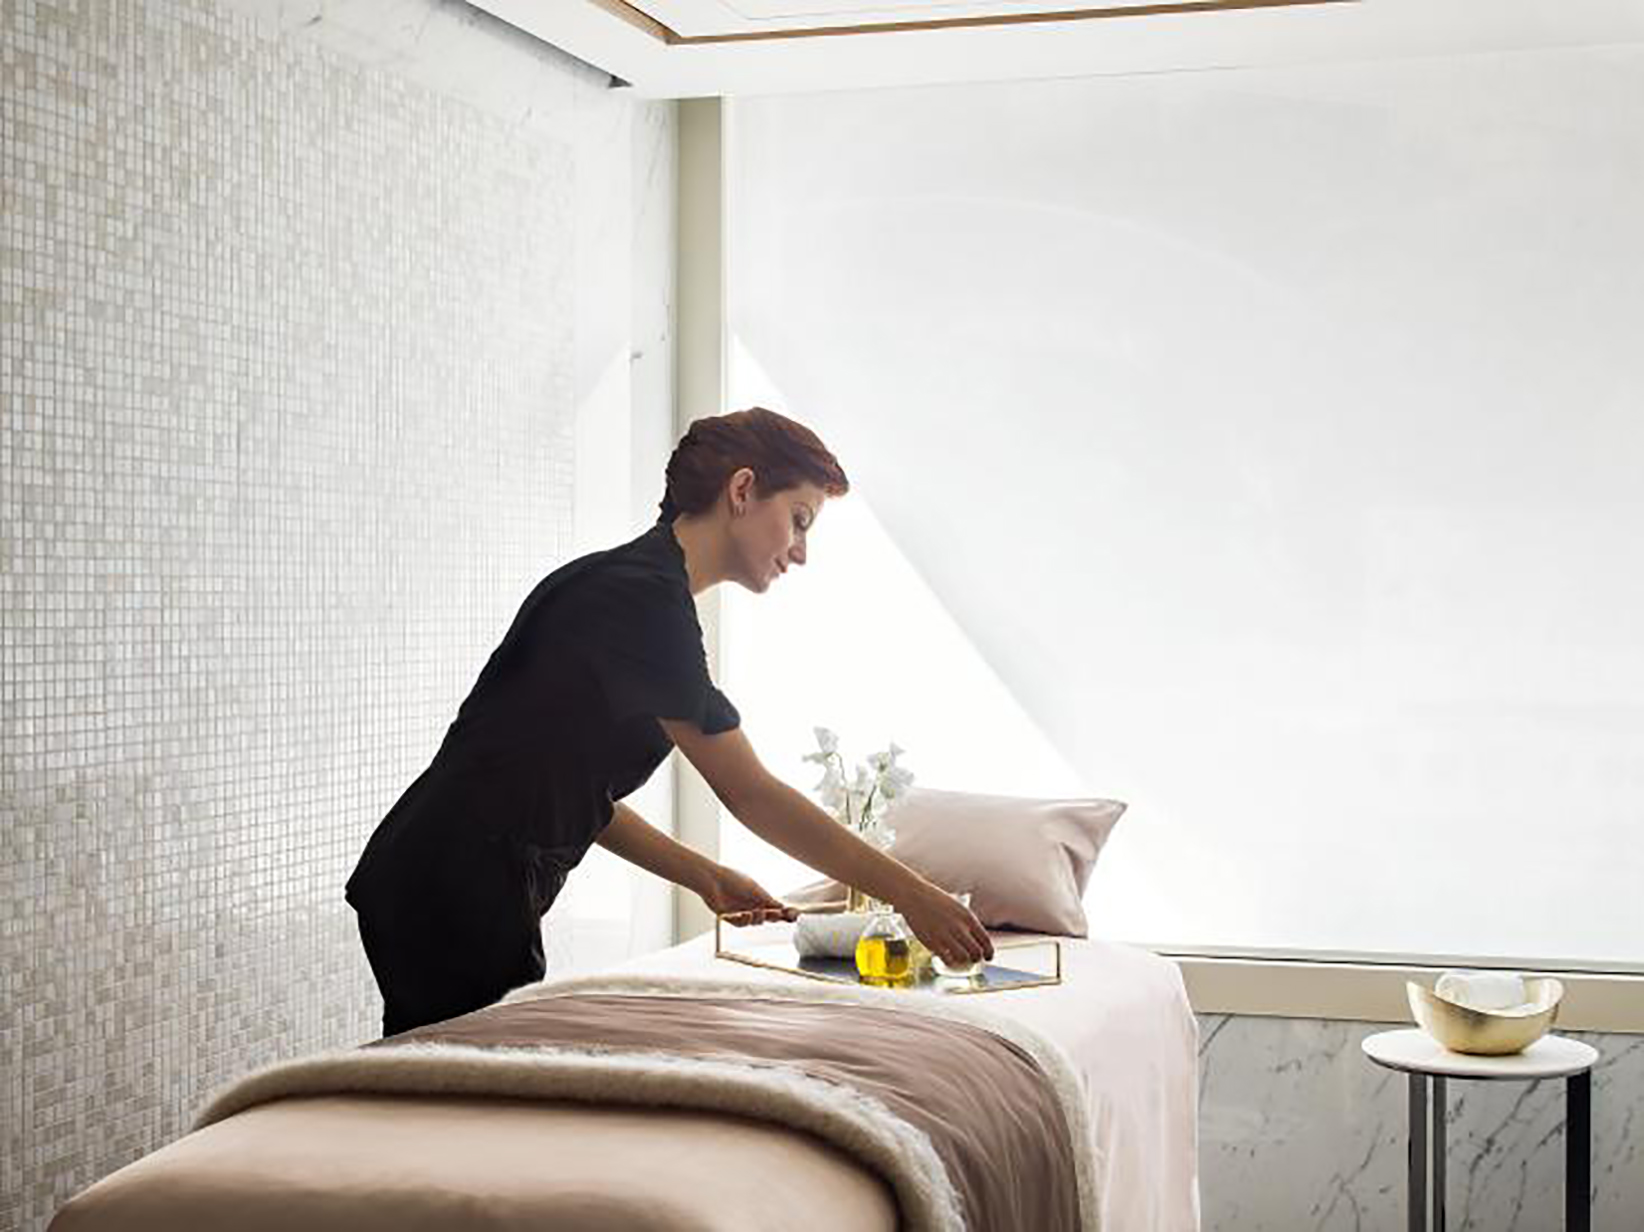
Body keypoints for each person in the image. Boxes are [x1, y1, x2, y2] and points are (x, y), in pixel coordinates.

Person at [345, 407, 992, 1036]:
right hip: (453, 882)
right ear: (743, 490)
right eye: (799, 520)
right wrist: (913, 895)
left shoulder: (635, 590)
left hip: (446, 874)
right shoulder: (640, 600)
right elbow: (751, 792)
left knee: (448, 1084)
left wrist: (707, 877)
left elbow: (571, 791)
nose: (800, 552)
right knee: (464, 1092)